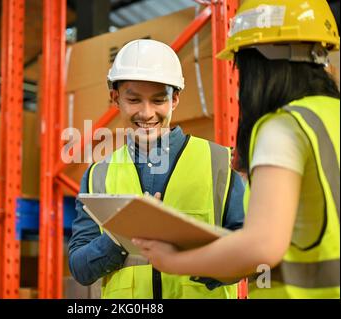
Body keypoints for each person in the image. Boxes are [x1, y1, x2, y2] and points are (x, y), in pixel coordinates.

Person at [132, 0, 340, 299]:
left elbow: (262, 246)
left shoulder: (283, 127)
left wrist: (174, 262)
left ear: (256, 65)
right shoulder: (330, 115)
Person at [68, 39, 245, 299]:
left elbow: (248, 254)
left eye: (158, 100)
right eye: (134, 100)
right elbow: (80, 269)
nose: (147, 113)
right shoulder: (98, 174)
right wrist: (121, 236)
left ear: (174, 99)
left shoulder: (218, 162)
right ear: (115, 98)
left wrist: (187, 253)